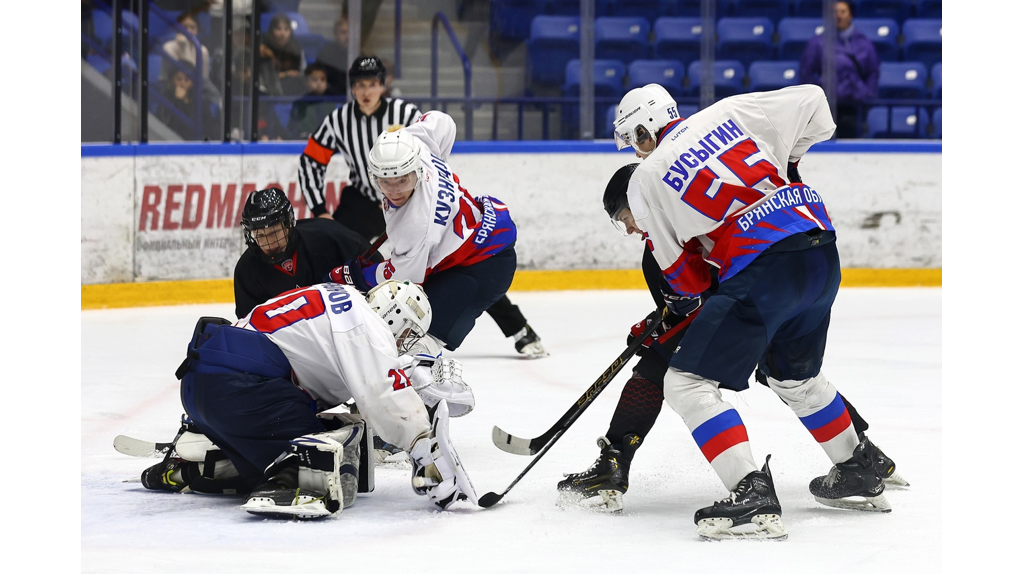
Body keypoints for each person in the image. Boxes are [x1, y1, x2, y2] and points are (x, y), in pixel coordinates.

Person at [603, 82, 898, 539]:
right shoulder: (731, 111)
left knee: (684, 383)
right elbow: (817, 102)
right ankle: (858, 469)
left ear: (643, 131)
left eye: (634, 142)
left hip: (766, 266)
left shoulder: (646, 178)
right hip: (820, 244)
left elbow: (688, 281)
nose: (638, 154)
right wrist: (790, 166)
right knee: (793, 377)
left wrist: (685, 301)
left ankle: (751, 493)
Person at [555, 163, 908, 514]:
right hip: (797, 272)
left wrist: (663, 326)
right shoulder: (696, 197)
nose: (629, 228)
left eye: (625, 215)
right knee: (793, 377)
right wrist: (661, 321)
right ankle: (863, 454)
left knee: (663, 370)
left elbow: (693, 297)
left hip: (751, 299)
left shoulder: (663, 236)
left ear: (641, 200)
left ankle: (615, 464)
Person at [138, 280, 479, 519]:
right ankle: (285, 481)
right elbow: (383, 394)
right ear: (396, 319)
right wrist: (425, 452)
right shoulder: (365, 326)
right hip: (241, 390)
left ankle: (200, 462)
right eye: (407, 335)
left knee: (297, 429)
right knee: (329, 442)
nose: (403, 344)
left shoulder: (335, 298)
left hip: (203, 388)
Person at [298, 56, 547, 357]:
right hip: (364, 201)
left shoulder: (404, 113)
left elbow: (403, 274)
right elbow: (311, 160)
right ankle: (339, 325)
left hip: (415, 211)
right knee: (340, 249)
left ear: (383, 85)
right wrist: (319, 207)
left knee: (450, 267)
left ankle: (518, 327)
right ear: (352, 88)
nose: (367, 91)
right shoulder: (338, 120)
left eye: (373, 84)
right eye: (360, 85)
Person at [326, 111, 520, 364]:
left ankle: (428, 399)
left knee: (415, 337)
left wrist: (356, 275)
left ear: (416, 169)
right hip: (479, 236)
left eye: (402, 180)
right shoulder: (415, 143)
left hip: (484, 264)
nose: (394, 191)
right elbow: (443, 122)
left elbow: (404, 278)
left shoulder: (417, 224)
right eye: (385, 181)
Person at [233, 186, 377, 320]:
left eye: (274, 233)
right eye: (260, 236)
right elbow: (249, 328)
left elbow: (376, 269)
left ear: (288, 223)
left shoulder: (327, 237)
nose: (268, 243)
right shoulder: (246, 271)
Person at [798, 0, 880, 138]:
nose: (838, 15)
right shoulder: (818, 42)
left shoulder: (863, 43)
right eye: (835, 12)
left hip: (854, 105)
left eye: (843, 11)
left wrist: (867, 94)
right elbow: (806, 71)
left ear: (850, 15)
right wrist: (816, 96)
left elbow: (872, 71)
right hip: (826, 106)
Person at [156, 61, 221, 141]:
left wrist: (185, 102)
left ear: (193, 82)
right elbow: (170, 126)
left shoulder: (200, 100)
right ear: (172, 80)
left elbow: (211, 129)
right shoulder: (165, 99)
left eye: (187, 80)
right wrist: (179, 101)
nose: (183, 83)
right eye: (179, 79)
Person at [288, 63, 338, 140]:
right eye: (314, 80)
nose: (319, 84)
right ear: (306, 82)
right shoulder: (299, 104)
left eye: (322, 79)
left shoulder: (330, 105)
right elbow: (294, 129)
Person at [260, 13, 306, 96]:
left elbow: (302, 72)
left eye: (286, 29)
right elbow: (263, 78)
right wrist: (286, 74)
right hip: (268, 93)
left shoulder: (296, 48)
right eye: (278, 29)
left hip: (292, 90)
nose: (282, 33)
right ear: (271, 30)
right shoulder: (264, 50)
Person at [314, 14, 349, 96]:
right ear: (335, 34)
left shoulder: (358, 52)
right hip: (331, 97)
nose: (348, 36)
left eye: (350, 33)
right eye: (343, 32)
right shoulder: (326, 53)